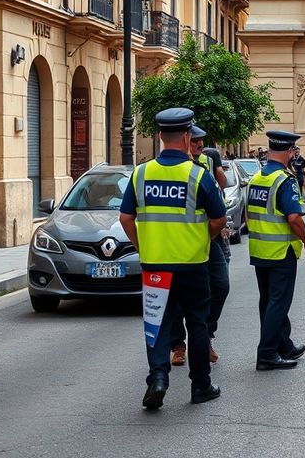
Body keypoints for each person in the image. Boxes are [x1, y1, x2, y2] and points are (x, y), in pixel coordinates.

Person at [119, 108, 226, 409]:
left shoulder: (141, 173)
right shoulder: (198, 175)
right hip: (192, 264)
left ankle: (158, 379)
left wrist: (143, 246)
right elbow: (218, 219)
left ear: (160, 137)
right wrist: (202, 238)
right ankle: (201, 386)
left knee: (157, 322)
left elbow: (126, 217)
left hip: (155, 265)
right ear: (187, 135)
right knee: (197, 324)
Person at [247, 130, 305, 371]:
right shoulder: (284, 180)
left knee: (268, 300)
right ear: (288, 152)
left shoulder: (256, 178)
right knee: (279, 302)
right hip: (280, 250)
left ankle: (283, 345)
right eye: (293, 151)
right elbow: (294, 218)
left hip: (259, 250)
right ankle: (266, 354)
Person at [169, 125, 231, 367]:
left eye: (202, 142)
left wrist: (216, 167)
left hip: (208, 236)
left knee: (221, 285)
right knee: (175, 296)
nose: (199, 146)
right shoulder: (172, 167)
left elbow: (222, 187)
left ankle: (205, 334)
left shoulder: (208, 160)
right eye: (195, 142)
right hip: (178, 240)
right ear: (185, 140)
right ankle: (178, 345)